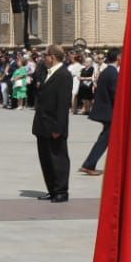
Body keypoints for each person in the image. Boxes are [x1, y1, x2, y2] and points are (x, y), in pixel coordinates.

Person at [31, 44, 72, 202]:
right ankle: (52, 189)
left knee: (58, 159)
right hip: (42, 125)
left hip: (54, 126)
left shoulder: (63, 75)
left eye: (45, 55)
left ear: (52, 57)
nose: (43, 58)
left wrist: (59, 128)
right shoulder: (47, 73)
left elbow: (63, 104)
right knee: (46, 159)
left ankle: (61, 190)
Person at [79, 51, 120, 175]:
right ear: (118, 57)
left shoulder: (107, 71)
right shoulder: (112, 72)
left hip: (105, 111)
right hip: (109, 113)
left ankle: (91, 164)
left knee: (108, 139)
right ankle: (89, 165)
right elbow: (115, 94)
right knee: (104, 140)